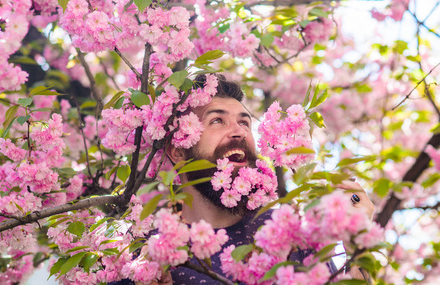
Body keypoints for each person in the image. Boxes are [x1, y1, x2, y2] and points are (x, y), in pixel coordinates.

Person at [115, 74, 375, 285]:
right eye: (217, 120)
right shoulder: (144, 250)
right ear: (179, 151)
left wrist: (359, 242)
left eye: (245, 123)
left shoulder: (289, 234)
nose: (239, 131)